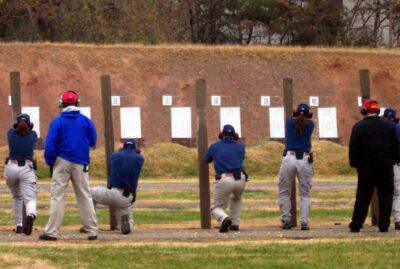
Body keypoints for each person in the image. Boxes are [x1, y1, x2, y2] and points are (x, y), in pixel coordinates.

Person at [39, 91, 98, 241]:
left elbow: (50, 144)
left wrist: (50, 162)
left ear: (62, 104)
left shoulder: (57, 121)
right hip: (81, 161)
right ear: (77, 103)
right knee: (85, 195)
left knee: (57, 197)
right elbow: (93, 140)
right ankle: (92, 230)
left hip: (62, 161)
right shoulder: (86, 121)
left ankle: (52, 231)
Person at [349, 100, 400, 233]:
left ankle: (356, 223)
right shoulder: (389, 126)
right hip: (385, 167)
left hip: (366, 168)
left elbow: (353, 149)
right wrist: (393, 160)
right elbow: (396, 146)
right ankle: (384, 225)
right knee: (386, 196)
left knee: (363, 196)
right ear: (378, 111)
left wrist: (356, 164)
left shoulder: (358, 127)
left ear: (364, 111)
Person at [85, 139, 144, 235]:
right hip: (127, 196)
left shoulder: (115, 156)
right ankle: (125, 224)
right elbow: (134, 157)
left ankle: (89, 224)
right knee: (126, 219)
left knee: (89, 193)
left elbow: (115, 158)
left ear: (123, 146)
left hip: (112, 192)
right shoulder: (140, 159)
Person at [278, 103, 314, 231]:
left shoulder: (288, 123)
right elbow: (305, 120)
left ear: (296, 113)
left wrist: (294, 114)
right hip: (304, 159)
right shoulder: (311, 125)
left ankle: (286, 220)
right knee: (305, 193)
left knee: (284, 191)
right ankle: (304, 222)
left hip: (289, 157)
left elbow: (294, 120)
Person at [206, 125, 248, 233]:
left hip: (225, 178)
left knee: (216, 208)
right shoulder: (241, 146)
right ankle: (235, 224)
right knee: (237, 198)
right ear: (235, 135)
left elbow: (207, 159)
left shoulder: (215, 146)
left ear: (221, 135)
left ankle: (224, 218)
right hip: (240, 179)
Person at [3, 114, 38, 235]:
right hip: (26, 168)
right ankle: (30, 215)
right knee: (30, 198)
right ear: (29, 123)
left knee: (17, 197)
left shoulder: (11, 135)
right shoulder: (33, 135)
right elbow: (32, 131)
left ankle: (19, 225)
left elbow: (12, 129)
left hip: (11, 168)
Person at [382, 108, 400, 230]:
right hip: (395, 163)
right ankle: (398, 219)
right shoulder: (397, 128)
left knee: (383, 192)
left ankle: (383, 220)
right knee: (397, 192)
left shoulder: (381, 128)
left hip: (381, 162)